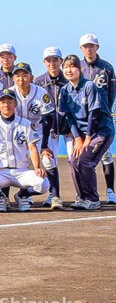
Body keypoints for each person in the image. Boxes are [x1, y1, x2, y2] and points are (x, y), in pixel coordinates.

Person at [0, 88, 49, 212]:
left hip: (21, 171)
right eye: (3, 101)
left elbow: (32, 148)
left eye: (10, 101)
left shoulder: (26, 124)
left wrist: (37, 167)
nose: (6, 105)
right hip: (0, 171)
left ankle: (22, 196)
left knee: (43, 184)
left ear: (15, 104)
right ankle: (0, 197)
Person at [59, 54, 115, 210]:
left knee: (85, 161)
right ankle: (82, 198)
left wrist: (88, 137)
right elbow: (69, 116)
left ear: (79, 69)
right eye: (66, 67)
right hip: (82, 134)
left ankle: (93, 199)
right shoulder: (64, 90)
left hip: (101, 131)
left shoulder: (89, 86)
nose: (68, 70)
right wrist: (77, 138)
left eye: (72, 66)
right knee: (74, 161)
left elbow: (93, 114)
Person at [78, 33, 116, 203]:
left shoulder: (107, 67)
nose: (89, 49)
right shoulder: (77, 67)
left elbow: (111, 93)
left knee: (106, 156)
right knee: (81, 158)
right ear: (81, 48)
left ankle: (110, 190)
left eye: (91, 46)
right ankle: (83, 194)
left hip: (101, 118)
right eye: (86, 46)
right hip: (84, 118)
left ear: (97, 47)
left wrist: (105, 110)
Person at [35, 47, 69, 209]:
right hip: (49, 129)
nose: (52, 63)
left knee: (76, 161)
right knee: (48, 160)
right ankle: (54, 195)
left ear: (60, 61)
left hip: (70, 128)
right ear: (44, 62)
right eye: (49, 60)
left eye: (55, 60)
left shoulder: (68, 80)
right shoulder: (39, 82)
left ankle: (84, 195)